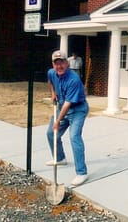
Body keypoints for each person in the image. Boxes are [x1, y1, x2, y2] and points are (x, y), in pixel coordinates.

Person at [46, 50, 89, 186]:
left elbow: (67, 104)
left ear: (67, 63)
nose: (59, 66)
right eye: (56, 63)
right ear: (53, 64)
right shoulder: (52, 72)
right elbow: (50, 81)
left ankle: (82, 173)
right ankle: (60, 158)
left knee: (74, 137)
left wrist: (58, 121)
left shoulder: (74, 80)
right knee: (50, 134)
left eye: (62, 63)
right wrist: (53, 93)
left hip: (77, 110)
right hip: (62, 107)